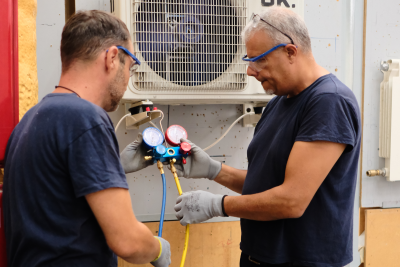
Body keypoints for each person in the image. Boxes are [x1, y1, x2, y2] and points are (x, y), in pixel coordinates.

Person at [173, 7, 361, 267]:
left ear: (290, 52)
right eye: (248, 60)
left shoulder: (329, 102)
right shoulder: (279, 102)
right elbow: (267, 184)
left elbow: (291, 201)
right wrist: (214, 170)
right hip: (258, 256)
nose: (251, 71)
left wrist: (219, 205)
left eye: (259, 60)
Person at [3, 10, 170, 267]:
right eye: (131, 65)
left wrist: (112, 169)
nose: (128, 78)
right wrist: (158, 249)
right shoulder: (86, 118)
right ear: (112, 57)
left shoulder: (29, 121)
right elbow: (128, 242)